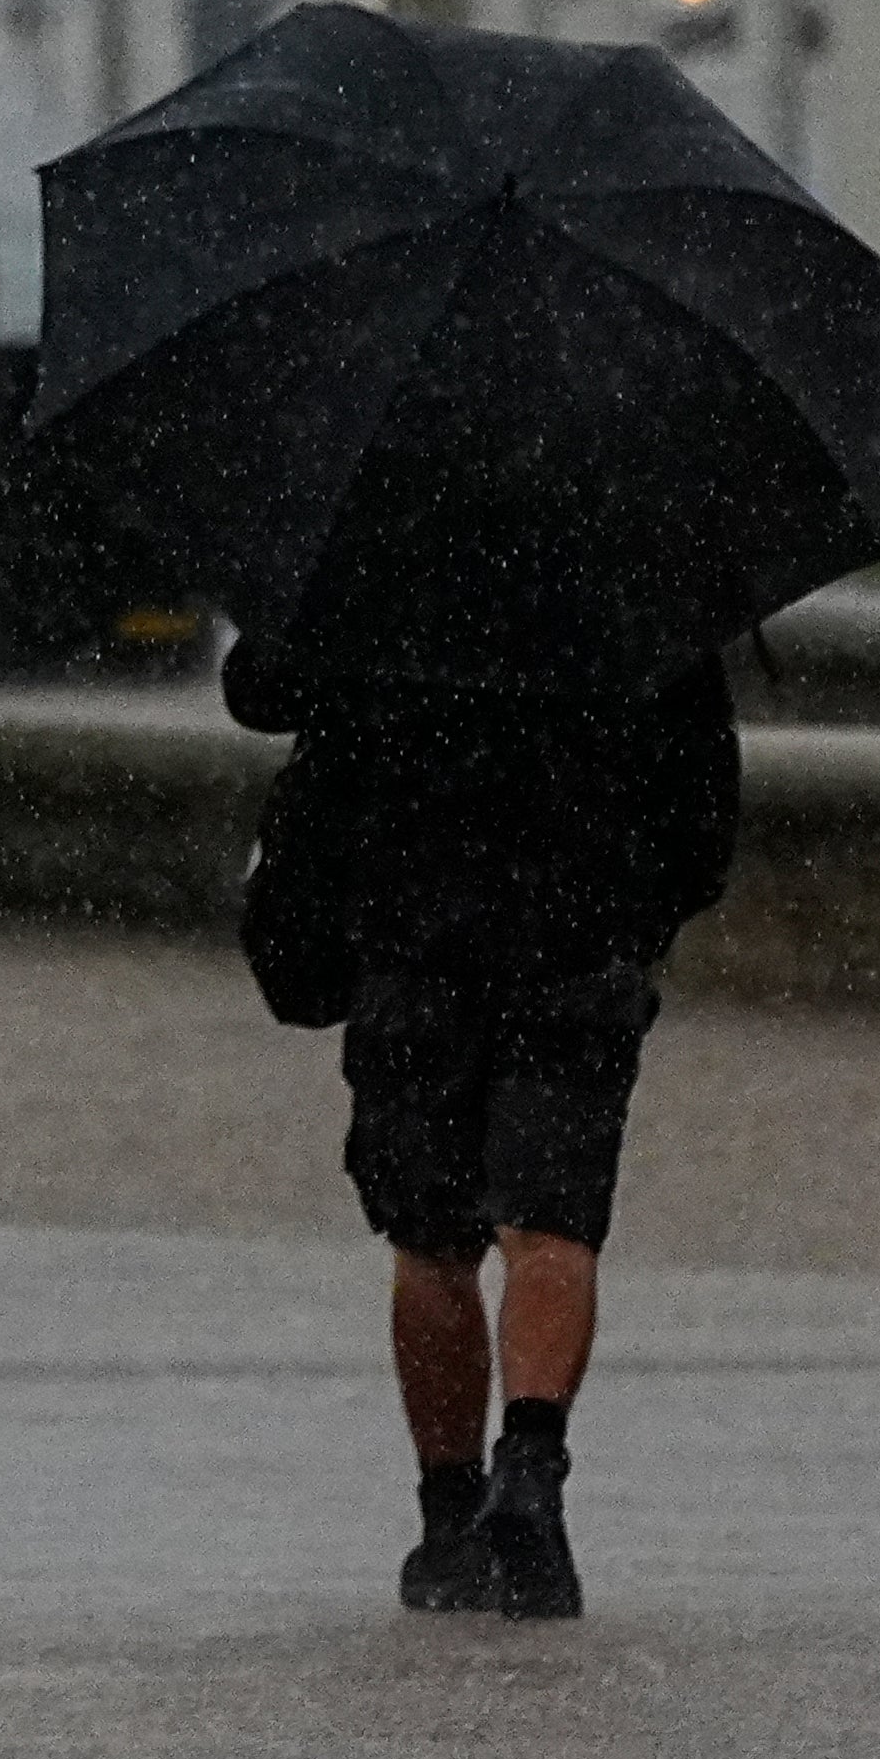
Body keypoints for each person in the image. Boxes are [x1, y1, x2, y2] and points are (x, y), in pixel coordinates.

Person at [227, 632, 741, 1622]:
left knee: (431, 1239)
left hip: (414, 928)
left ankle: (448, 1515)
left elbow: (261, 692)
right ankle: (533, 1467)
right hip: (574, 928)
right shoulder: (628, 567)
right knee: (553, 1220)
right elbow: (701, 797)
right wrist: (637, 910)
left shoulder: (375, 552)